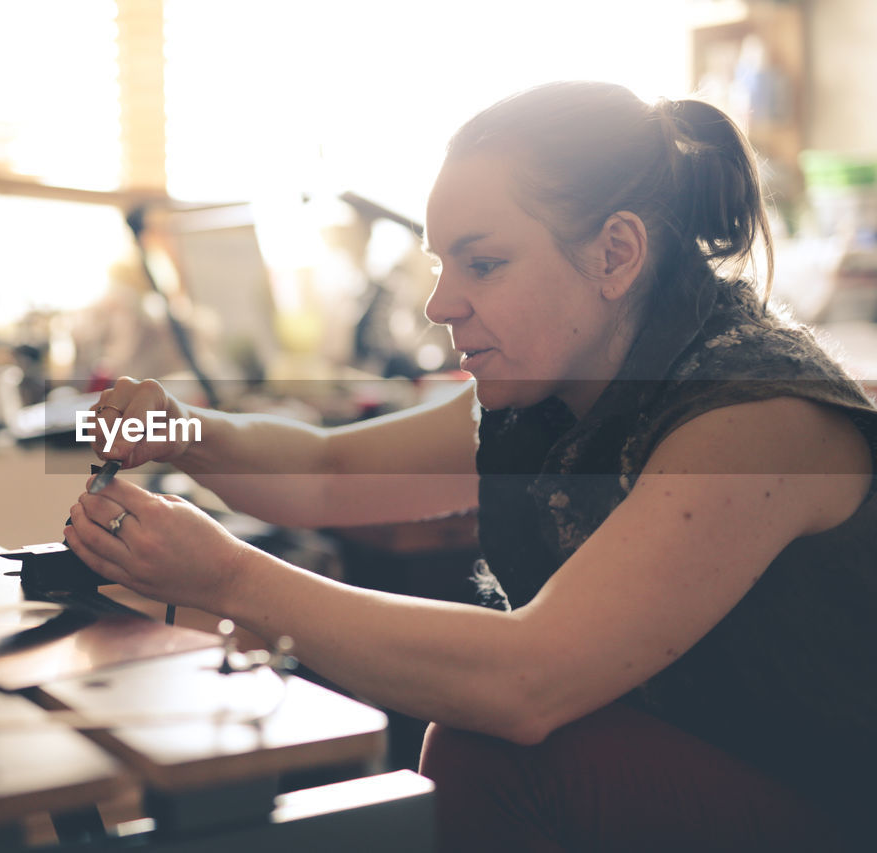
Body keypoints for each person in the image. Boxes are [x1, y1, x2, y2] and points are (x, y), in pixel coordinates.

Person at [62, 81, 877, 852]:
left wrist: (228, 578)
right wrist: (178, 427)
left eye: (482, 263)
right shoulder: (559, 384)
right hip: (705, 767)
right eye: (441, 263)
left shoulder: (754, 416)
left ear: (616, 255)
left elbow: (527, 679)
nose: (440, 302)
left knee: (491, 750)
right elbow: (329, 472)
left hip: (836, 808)